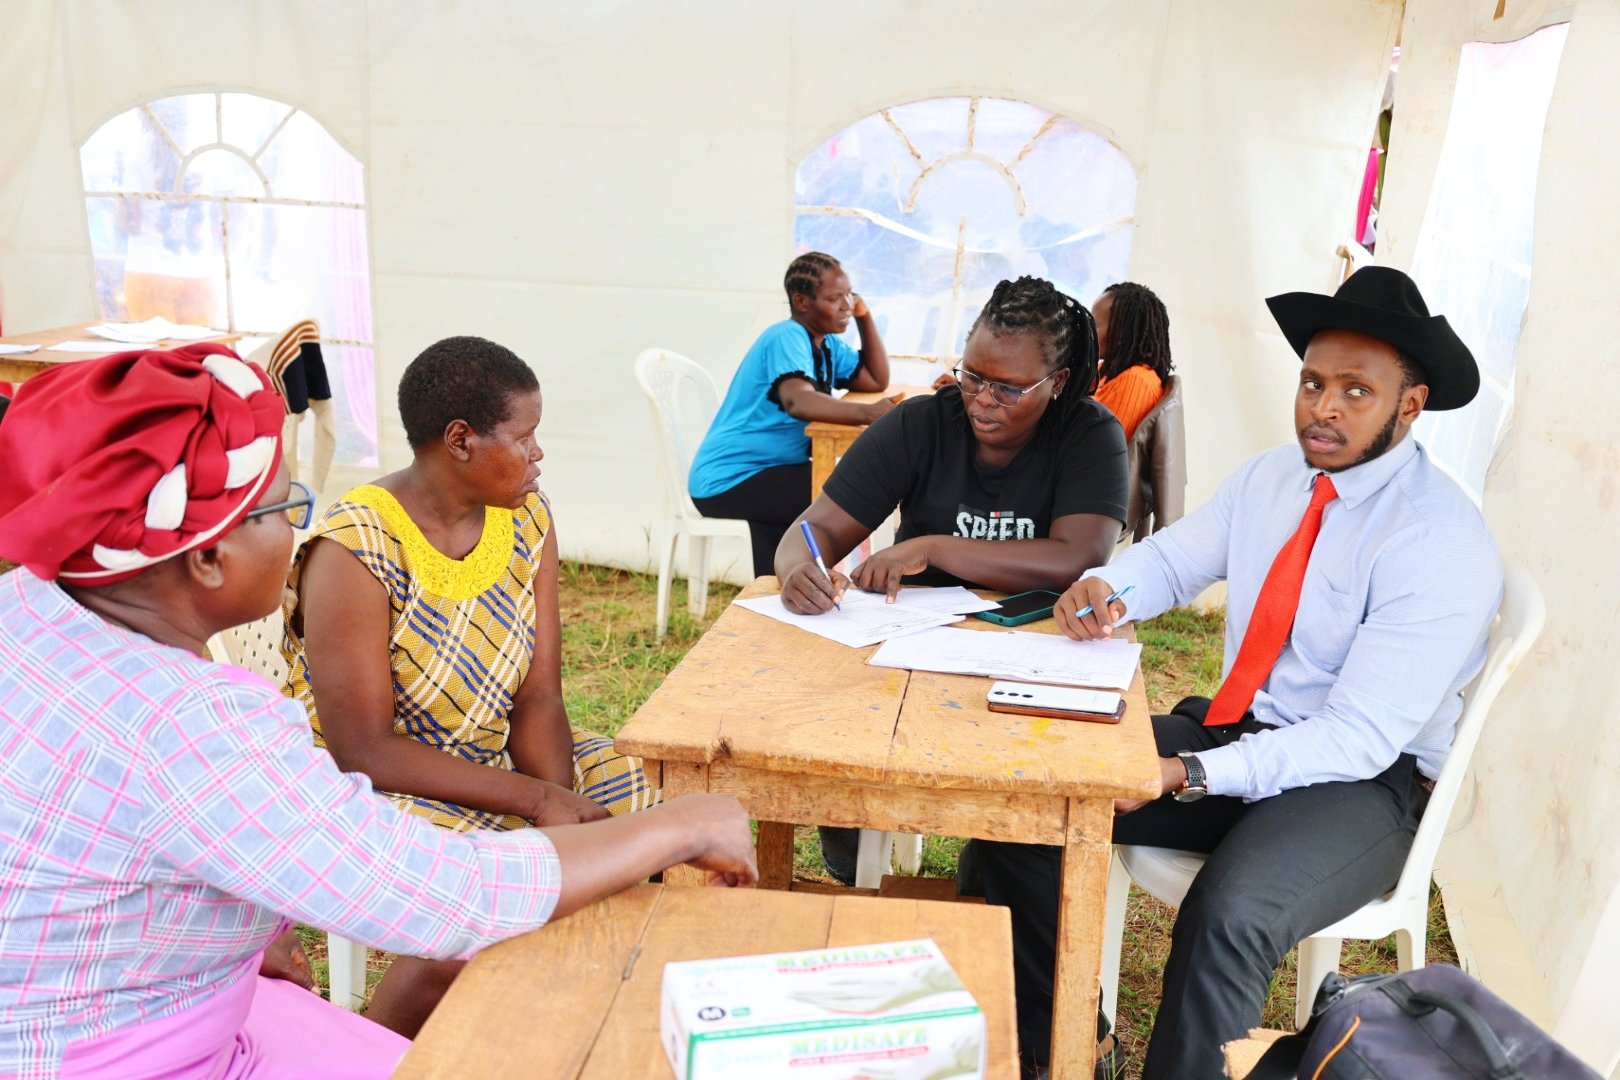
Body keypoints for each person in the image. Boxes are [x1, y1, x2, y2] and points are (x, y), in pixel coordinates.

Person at [0, 344, 757, 1080]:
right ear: (206, 558)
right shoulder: (197, 722)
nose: (297, 526)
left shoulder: (26, 609)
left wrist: (240, 930)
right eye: (284, 509)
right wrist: (680, 825)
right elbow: (446, 897)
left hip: (118, 1002)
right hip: (103, 1049)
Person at [971, 266, 1503, 1080]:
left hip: (1364, 783)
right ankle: (1069, 1042)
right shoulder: (1271, 479)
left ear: (1411, 404)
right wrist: (1108, 588)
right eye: (1313, 382)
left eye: (1356, 391)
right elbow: (1175, 562)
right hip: (1241, 727)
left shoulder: (1438, 541)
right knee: (1023, 804)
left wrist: (1185, 771)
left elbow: (1357, 739)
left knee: (1230, 915)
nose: (1323, 408)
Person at [281, 335, 661, 1036]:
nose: (538, 454)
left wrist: (565, 810)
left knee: (648, 807)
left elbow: (539, 695)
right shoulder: (355, 547)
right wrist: (536, 803)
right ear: (460, 440)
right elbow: (362, 748)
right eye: (525, 436)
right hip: (376, 786)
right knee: (494, 883)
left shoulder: (526, 519)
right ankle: (383, 1048)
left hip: (492, 763)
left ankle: (584, 1010)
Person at [775, 276, 1131, 891]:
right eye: (971, 375)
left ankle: (997, 873)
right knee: (835, 730)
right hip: (913, 641)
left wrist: (935, 546)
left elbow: (1079, 555)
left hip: (1039, 645)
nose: (982, 399)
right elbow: (813, 530)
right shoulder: (920, 425)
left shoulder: (1088, 433)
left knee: (1027, 803)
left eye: (1010, 387)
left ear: (1060, 383)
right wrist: (797, 568)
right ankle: (853, 847)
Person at [689, 251, 900, 576]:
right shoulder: (786, 336)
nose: (846, 303)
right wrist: (868, 414)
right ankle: (827, 587)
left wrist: (864, 315)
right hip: (729, 477)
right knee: (844, 495)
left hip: (771, 469)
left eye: (850, 294)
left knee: (833, 493)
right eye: (835, 297)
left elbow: (875, 378)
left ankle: (777, 590)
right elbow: (797, 401)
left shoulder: (825, 344)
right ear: (802, 302)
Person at [1091, 282, 1172, 442]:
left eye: (1095, 324)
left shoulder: (1135, 381)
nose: (1088, 330)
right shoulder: (1106, 369)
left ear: (1122, 333)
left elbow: (1098, 448)